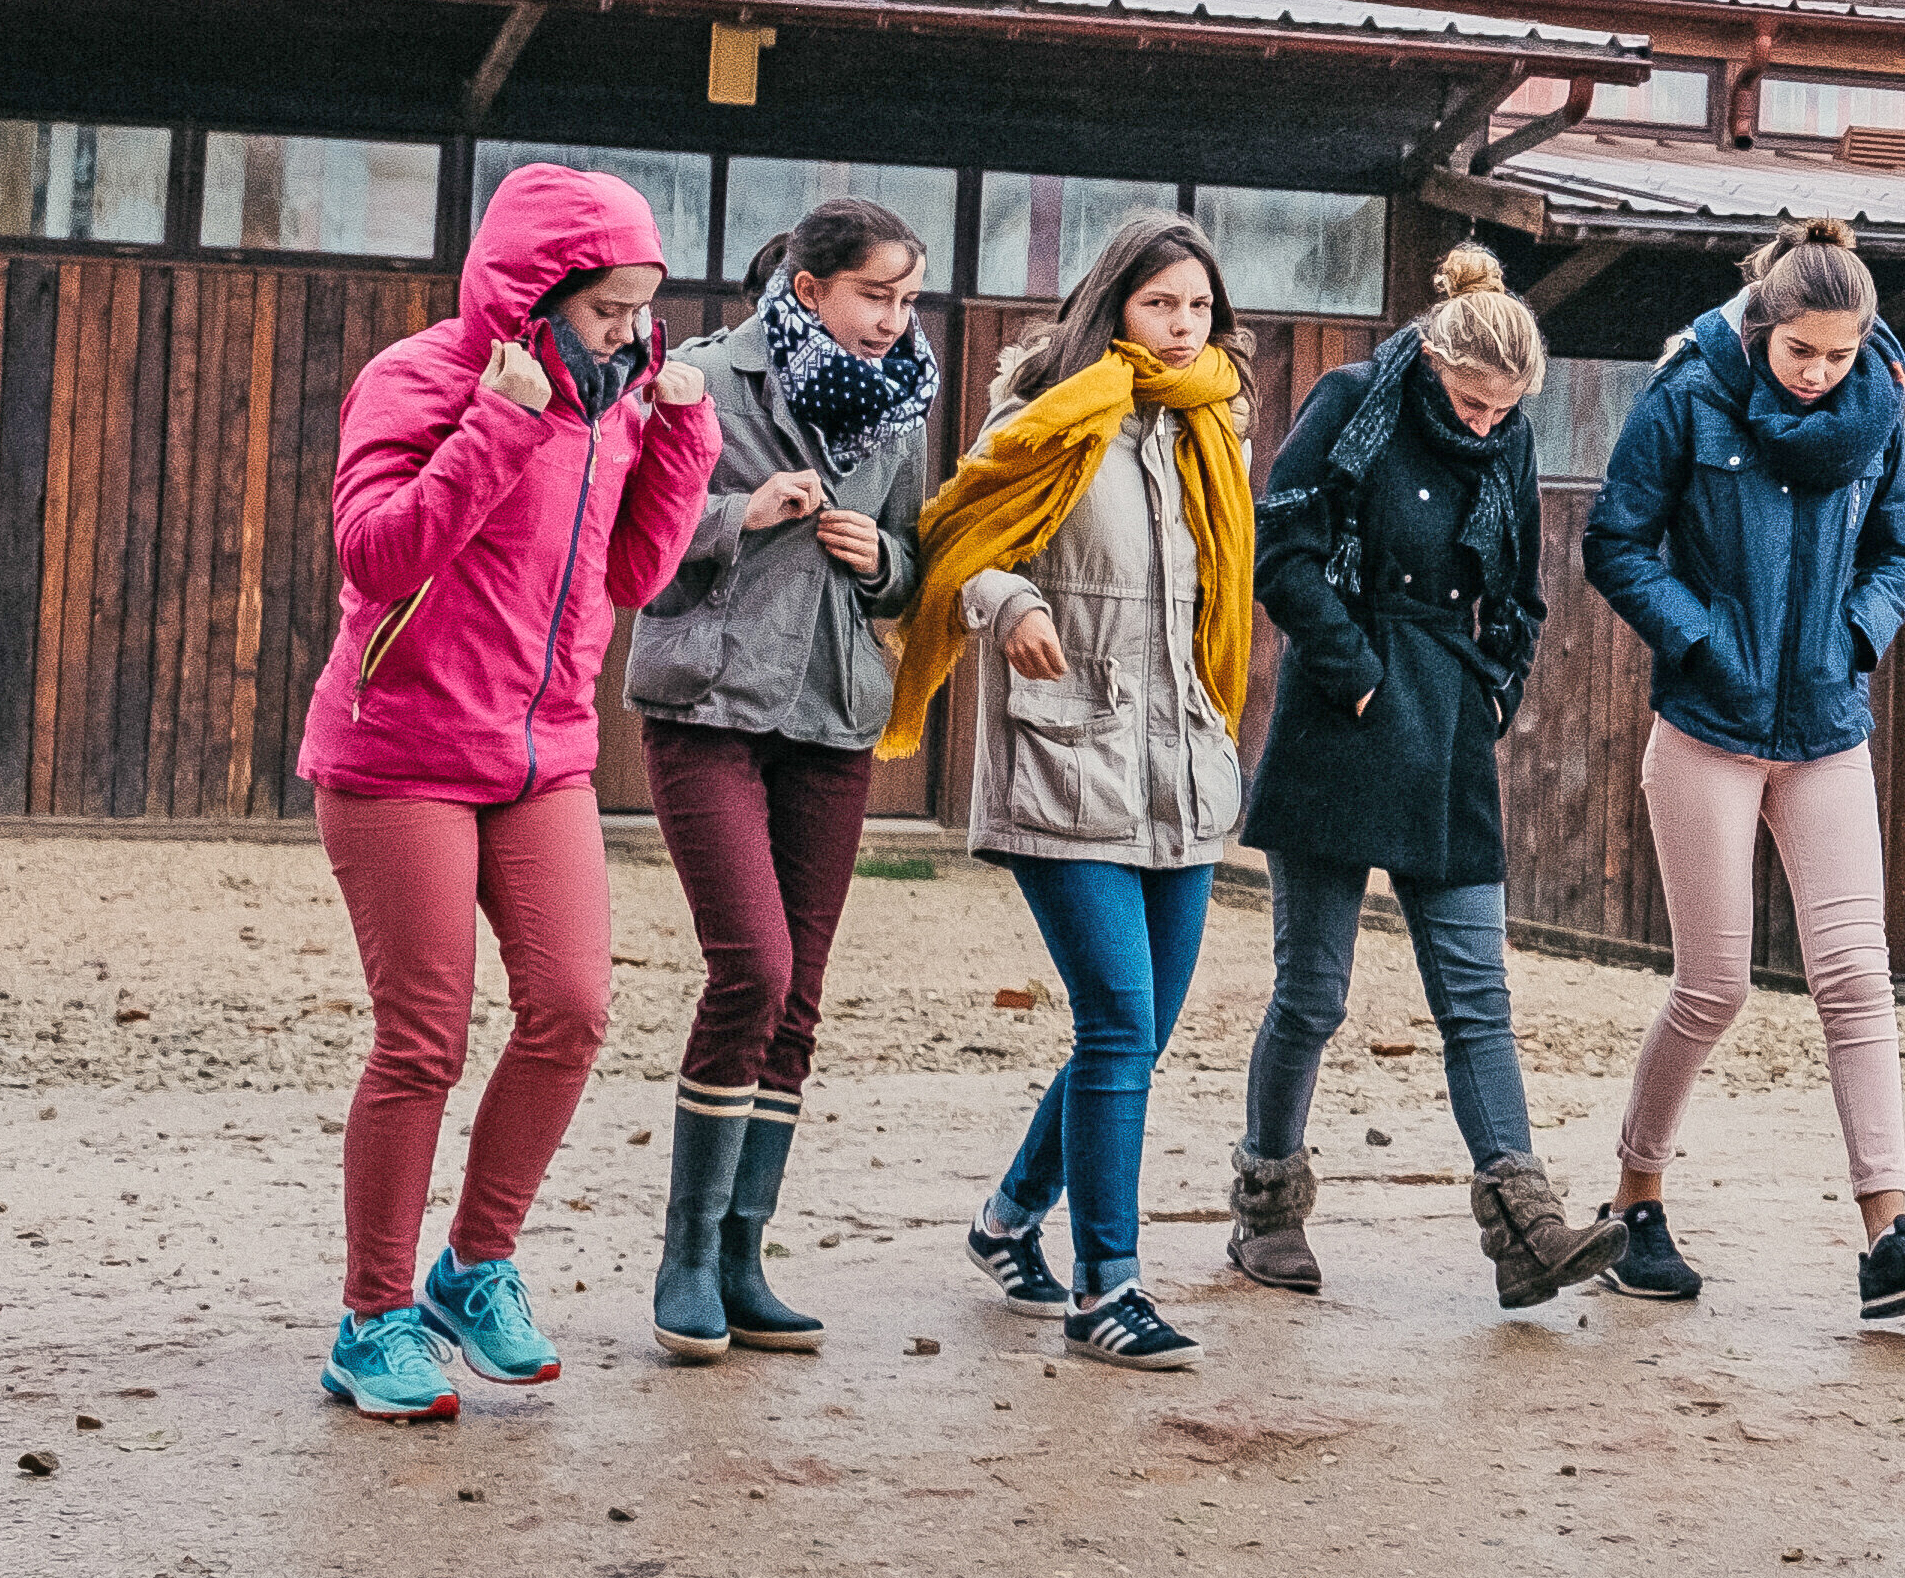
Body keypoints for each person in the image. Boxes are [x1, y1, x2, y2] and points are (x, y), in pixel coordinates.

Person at [301, 161, 725, 1419]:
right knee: (423, 1037)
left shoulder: (620, 405)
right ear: (538, 296)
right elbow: (374, 554)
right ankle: (369, 1316)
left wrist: (681, 434)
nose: (632, 335)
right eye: (610, 311)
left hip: (542, 756)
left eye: (645, 310)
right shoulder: (420, 379)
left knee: (574, 1010)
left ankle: (471, 1269)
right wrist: (502, 424)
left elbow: (637, 573)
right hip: (399, 758)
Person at [1581, 223, 1905, 1319]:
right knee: (1711, 986)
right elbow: (1613, 539)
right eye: (1799, 351)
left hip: (1826, 727)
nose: (1816, 374)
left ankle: (1890, 1235)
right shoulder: (1688, 394)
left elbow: (1903, 551)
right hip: (1707, 726)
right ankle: (1635, 1205)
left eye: (1838, 356)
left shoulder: (1884, 414)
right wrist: (1702, 636)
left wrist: (1852, 637)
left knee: (1858, 979)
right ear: (1762, 325)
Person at [890, 208, 1256, 1374]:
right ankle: (1109, 1288)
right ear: (1116, 305)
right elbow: (955, 544)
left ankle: (1005, 1221)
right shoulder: (1048, 414)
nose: (1185, 326)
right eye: (1163, 305)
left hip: (1183, 768)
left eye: (1200, 306)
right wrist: (1010, 604)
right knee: (1118, 1024)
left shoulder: (1213, 430)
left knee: (1134, 1039)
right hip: (1067, 758)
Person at [1229, 246, 1628, 1310]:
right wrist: (1356, 675)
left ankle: (1526, 1228)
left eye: (1505, 413)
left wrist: (1495, 692)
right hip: (1338, 717)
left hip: (1449, 726)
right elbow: (1285, 548)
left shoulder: (1510, 436)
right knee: (1312, 994)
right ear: (1435, 359)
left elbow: (1527, 591)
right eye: (1471, 404)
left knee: (1477, 997)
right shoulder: (1354, 398)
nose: (1488, 426)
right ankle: (1266, 1207)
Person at [625, 192, 939, 1365]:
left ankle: (746, 1255)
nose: (896, 320)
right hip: (707, 700)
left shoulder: (903, 406)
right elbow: (629, 528)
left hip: (833, 714)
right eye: (877, 296)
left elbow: (913, 565)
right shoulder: (702, 377)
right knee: (750, 965)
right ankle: (685, 1255)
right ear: (809, 289)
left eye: (909, 299)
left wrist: (884, 560)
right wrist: (733, 515)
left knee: (799, 991)